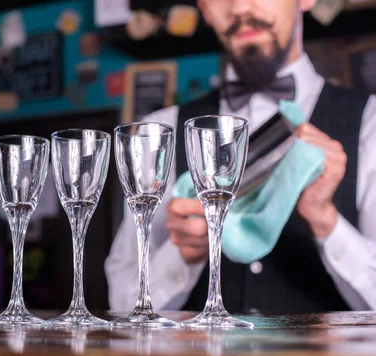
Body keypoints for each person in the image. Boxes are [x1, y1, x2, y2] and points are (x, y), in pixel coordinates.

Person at [105, 0, 376, 314]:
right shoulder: (161, 131)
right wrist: (182, 256)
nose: (240, 7)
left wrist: (328, 225)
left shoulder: (370, 124)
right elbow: (121, 306)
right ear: (203, 9)